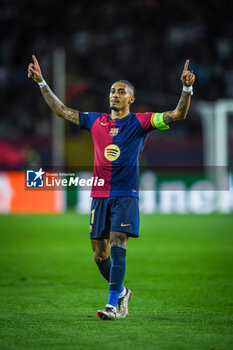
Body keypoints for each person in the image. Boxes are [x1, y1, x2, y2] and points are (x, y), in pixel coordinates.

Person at [28, 55, 195, 320]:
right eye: (112, 91)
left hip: (125, 194)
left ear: (131, 99)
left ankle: (112, 305)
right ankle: (122, 292)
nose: (114, 95)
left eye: (121, 92)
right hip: (99, 195)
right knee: (99, 254)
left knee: (118, 242)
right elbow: (61, 110)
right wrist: (42, 83)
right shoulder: (96, 121)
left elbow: (178, 114)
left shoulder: (142, 122)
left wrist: (186, 89)